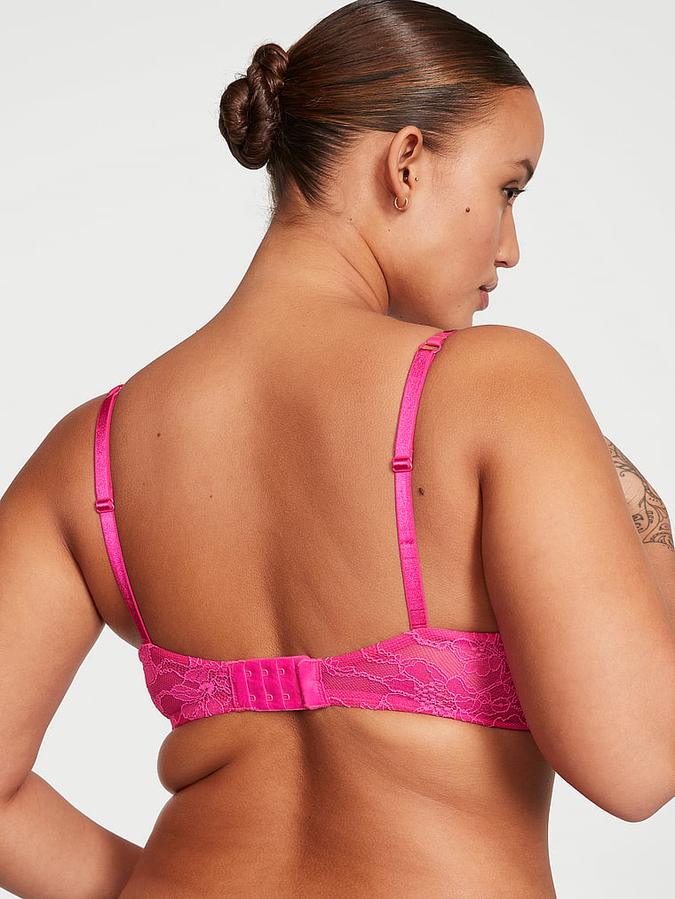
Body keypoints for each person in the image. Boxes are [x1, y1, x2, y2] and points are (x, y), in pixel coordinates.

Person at [1, 1, 673, 896]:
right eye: (508, 189)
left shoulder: (90, 451)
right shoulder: (496, 386)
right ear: (406, 162)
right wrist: (634, 506)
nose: (509, 246)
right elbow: (636, 765)